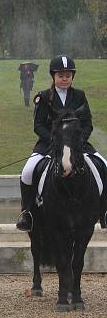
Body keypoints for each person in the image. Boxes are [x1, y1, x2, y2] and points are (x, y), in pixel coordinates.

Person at [16, 55, 107, 232]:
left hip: (78, 144)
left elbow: (87, 123)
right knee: (27, 171)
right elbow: (38, 125)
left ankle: (104, 211)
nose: (64, 79)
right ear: (53, 77)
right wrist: (55, 140)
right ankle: (27, 213)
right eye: (60, 75)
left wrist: (79, 141)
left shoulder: (80, 95)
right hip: (49, 143)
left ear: (72, 77)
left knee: (104, 165)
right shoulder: (43, 96)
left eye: (68, 75)